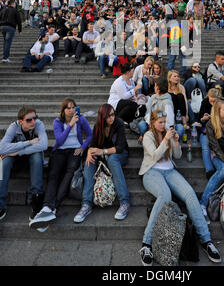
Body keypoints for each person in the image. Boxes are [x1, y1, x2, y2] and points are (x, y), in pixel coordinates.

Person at [138, 110, 221, 266]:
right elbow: (154, 156)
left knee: (190, 193)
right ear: (153, 122)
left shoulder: (167, 134)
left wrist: (175, 142)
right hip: (151, 172)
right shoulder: (148, 136)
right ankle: (146, 244)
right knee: (165, 195)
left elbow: (177, 156)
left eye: (164, 122)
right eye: (160, 122)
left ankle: (206, 240)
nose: (163, 125)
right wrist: (165, 141)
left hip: (170, 170)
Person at [29, 98, 92, 229]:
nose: (71, 110)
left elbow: (91, 135)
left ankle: (52, 208)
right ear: (63, 110)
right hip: (59, 151)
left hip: (75, 151)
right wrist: (70, 125)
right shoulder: (57, 122)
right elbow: (60, 140)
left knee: (69, 174)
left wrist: (82, 147)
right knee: (53, 175)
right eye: (68, 108)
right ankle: (47, 207)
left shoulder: (81, 119)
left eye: (73, 107)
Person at [74, 104, 130, 223]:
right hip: (103, 155)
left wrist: (103, 151)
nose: (112, 118)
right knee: (90, 160)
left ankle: (124, 202)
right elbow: (93, 144)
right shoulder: (98, 126)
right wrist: (90, 152)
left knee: (112, 159)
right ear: (102, 117)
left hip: (119, 154)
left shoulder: (119, 123)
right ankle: (86, 204)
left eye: (113, 114)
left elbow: (120, 147)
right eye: (108, 116)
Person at [0, 106, 48, 221]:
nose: (33, 121)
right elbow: (2, 148)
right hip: (16, 161)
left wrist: (19, 152)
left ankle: (36, 198)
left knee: (37, 157)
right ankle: (0, 203)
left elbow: (44, 145)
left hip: (30, 158)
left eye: (34, 118)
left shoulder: (39, 124)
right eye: (29, 120)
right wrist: (29, 142)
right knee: (3, 160)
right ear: (21, 121)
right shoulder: (13, 127)